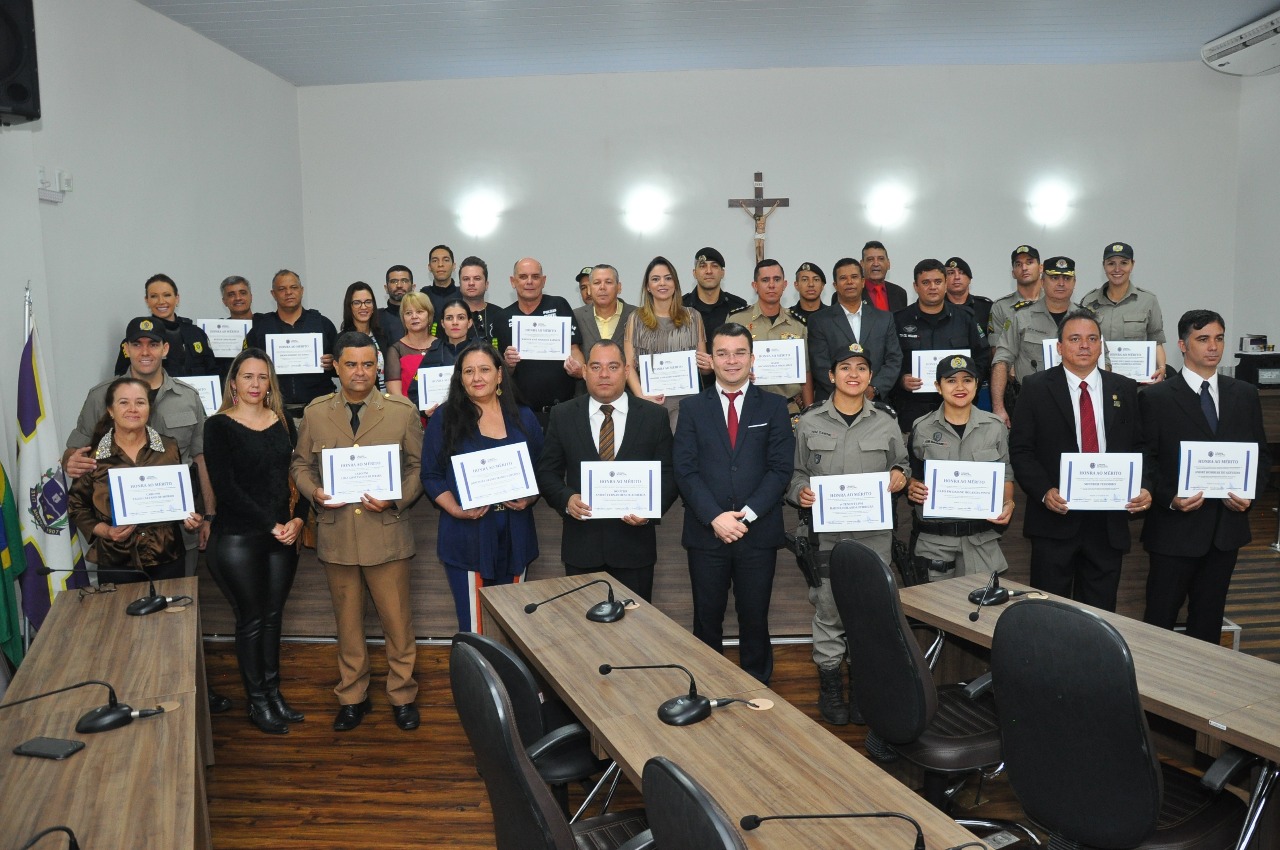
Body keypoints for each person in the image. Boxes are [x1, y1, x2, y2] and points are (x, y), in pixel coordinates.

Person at [65, 317, 227, 712]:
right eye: (136, 345)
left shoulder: (186, 399)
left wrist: (204, 514)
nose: (145, 352)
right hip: (116, 551)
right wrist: (72, 467)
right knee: (123, 629)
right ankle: (132, 695)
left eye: (152, 345)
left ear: (164, 349)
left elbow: (198, 461)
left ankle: (188, 694)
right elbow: (75, 463)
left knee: (179, 621)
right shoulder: (99, 399)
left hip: (172, 541)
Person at [290, 332, 424, 732]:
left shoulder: (401, 411)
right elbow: (300, 465)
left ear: (378, 368)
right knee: (347, 625)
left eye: (368, 364)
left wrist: (394, 498)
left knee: (398, 624)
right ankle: (353, 697)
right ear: (336, 367)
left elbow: (417, 468)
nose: (360, 372)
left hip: (387, 532)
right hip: (338, 536)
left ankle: (402, 695)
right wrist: (314, 491)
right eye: (351, 364)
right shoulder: (315, 413)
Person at [788, 343, 908, 724]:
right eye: (845, 367)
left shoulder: (886, 421)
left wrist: (899, 476)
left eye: (861, 367)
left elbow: (902, 465)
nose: (853, 374)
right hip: (825, 537)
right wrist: (800, 493)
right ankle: (831, 689)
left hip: (873, 537)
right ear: (831, 375)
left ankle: (863, 688)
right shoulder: (809, 421)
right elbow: (796, 474)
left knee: (870, 614)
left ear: (870, 376)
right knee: (828, 611)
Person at [1140, 310, 1270, 643]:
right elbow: (1146, 461)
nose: (1213, 347)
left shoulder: (1243, 393)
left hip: (1225, 529)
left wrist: (1250, 494)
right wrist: (1170, 497)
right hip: (1174, 531)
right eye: (1203, 339)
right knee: (1159, 620)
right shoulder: (1156, 398)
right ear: (1182, 345)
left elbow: (1259, 455)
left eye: (1219, 338)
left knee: (1208, 622)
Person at [1009, 310, 1153, 611]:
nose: (1084, 346)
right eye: (1075, 339)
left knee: (1100, 613)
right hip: (1055, 519)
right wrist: (1044, 491)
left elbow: (1141, 445)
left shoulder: (1124, 388)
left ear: (1101, 345)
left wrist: (1144, 486)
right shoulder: (1035, 387)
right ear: (1060, 347)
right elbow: (1021, 450)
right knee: (1048, 613)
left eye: (1091, 339)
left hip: (1108, 522)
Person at [674, 323, 794, 684]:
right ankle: (707, 685)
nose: (731, 360)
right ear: (710, 359)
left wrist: (746, 515)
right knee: (706, 617)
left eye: (739, 352)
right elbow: (685, 470)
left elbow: (780, 469)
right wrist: (715, 517)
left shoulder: (774, 406)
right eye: (722, 353)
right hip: (706, 532)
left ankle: (757, 685)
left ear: (752, 358)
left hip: (757, 533)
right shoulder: (692, 407)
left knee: (754, 617)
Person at [203, 349, 307, 734]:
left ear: (270, 383)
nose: (255, 384)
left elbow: (297, 475)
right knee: (251, 621)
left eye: (262, 377)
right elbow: (226, 488)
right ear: (233, 382)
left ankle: (274, 694)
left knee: (273, 619)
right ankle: (257, 702)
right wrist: (271, 524)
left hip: (282, 535)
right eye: (248, 377)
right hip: (239, 539)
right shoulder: (218, 426)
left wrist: (298, 519)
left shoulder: (282, 421)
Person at [535, 340, 676, 602]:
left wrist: (650, 510)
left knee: (635, 630)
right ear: (585, 371)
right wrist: (566, 499)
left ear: (626, 370)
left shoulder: (654, 416)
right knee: (583, 633)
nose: (604, 374)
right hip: (582, 547)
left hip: (635, 548)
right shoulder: (563, 415)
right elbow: (546, 472)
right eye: (596, 367)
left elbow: (668, 474)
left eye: (612, 366)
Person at [422, 345, 543, 632]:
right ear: (460, 378)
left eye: (485, 369)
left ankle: (510, 679)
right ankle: (478, 678)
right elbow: (430, 474)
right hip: (467, 536)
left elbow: (541, 469)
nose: (477, 377)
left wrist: (531, 496)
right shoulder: (444, 417)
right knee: (475, 626)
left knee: (515, 626)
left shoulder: (524, 417)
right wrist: (455, 509)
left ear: (500, 375)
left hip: (516, 534)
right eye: (469, 371)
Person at [67, 376, 203, 587]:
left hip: (167, 557)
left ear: (149, 409)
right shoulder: (93, 456)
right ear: (111, 410)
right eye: (124, 402)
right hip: (116, 560)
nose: (133, 409)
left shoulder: (169, 448)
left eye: (140, 402)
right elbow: (76, 506)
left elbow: (180, 497)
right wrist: (107, 531)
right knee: (120, 619)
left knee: (170, 617)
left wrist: (189, 517)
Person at [906, 355, 1014, 583]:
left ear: (977, 384)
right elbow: (911, 474)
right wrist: (911, 486)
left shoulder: (995, 428)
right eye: (951, 380)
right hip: (934, 542)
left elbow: (1005, 474)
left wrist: (1008, 503)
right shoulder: (922, 428)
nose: (960, 387)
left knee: (981, 614)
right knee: (932, 613)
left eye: (967, 380)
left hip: (981, 541)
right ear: (938, 386)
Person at [891, 258, 989, 429]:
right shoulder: (898, 320)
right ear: (916, 286)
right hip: (912, 409)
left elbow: (982, 357)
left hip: (959, 408)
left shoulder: (966, 318)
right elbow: (889, 359)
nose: (933, 287)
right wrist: (901, 379)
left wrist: (968, 383)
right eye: (926, 282)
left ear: (945, 284)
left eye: (938, 282)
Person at [625, 256, 713, 428]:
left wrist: (709, 366)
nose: (662, 283)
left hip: (688, 406)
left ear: (675, 284)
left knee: (683, 453)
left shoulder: (693, 316)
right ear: (648, 287)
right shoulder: (635, 319)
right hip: (651, 404)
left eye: (668, 278)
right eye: (655, 279)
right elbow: (628, 366)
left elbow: (704, 370)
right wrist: (642, 397)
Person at [992, 255, 1077, 427]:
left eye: (1067, 278)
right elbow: (1002, 360)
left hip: (1076, 403)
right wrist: (998, 407)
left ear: (1074, 282)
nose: (1061, 283)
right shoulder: (1022, 317)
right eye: (1054, 277)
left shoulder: (1086, 319)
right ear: (1043, 281)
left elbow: (1103, 362)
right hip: (1030, 403)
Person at [245, 269, 338, 423]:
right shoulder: (261, 328)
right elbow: (247, 368)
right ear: (273, 294)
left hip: (320, 408)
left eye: (294, 287)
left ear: (301, 291)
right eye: (282, 289)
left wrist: (333, 363)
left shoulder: (322, 323)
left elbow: (341, 367)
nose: (288, 292)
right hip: (274, 411)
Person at [807, 257, 903, 403]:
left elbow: (894, 359)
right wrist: (847, 391)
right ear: (835, 285)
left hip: (874, 402)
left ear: (863, 282)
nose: (849, 282)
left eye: (854, 277)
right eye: (843, 278)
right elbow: (819, 364)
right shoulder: (819, 320)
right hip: (832, 402)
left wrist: (874, 388)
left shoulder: (884, 319)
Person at [503, 257, 585, 426]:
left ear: (543, 280)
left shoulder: (559, 305)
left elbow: (574, 347)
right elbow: (501, 372)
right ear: (513, 281)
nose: (530, 282)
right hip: (521, 413)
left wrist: (580, 370)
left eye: (535, 276)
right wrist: (508, 365)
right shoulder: (501, 318)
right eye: (523, 277)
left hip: (562, 410)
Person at [727, 258, 812, 413]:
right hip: (746, 407)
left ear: (785, 285)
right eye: (765, 280)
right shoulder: (737, 320)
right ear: (755, 286)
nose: (771, 285)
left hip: (789, 408)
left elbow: (805, 372)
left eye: (777, 279)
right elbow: (725, 362)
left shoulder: (797, 324)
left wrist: (809, 411)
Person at [1077, 242, 1167, 383]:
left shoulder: (1148, 300)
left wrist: (1161, 367)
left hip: (1136, 384)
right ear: (1104, 266)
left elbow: (1156, 341)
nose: (1117, 269)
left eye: (1124, 263)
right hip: (1099, 382)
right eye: (1111, 263)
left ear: (1132, 264)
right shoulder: (1088, 301)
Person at [113, 274, 217, 378]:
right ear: (147, 301)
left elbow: (213, 372)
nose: (161, 301)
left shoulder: (196, 334)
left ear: (177, 298)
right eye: (154, 296)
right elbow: (121, 378)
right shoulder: (136, 338)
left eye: (167, 295)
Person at [683, 247, 747, 385]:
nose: (709, 271)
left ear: (723, 272)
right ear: (694, 273)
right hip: (689, 388)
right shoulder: (680, 307)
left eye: (714, 266)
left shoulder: (738, 306)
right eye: (702, 266)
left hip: (730, 385)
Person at [943, 257, 995, 410]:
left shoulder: (985, 307)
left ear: (970, 279)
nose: (957, 277)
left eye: (962, 272)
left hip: (981, 381)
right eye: (951, 273)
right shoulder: (936, 309)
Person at [385, 291, 436, 408]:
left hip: (441, 416)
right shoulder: (395, 350)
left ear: (429, 315)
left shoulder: (442, 345)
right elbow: (395, 394)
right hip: (407, 415)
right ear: (403, 318)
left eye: (419, 311)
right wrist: (418, 411)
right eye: (408, 313)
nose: (414, 316)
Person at [338, 281, 391, 391]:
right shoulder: (342, 340)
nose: (363, 307)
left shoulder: (382, 336)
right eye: (357, 303)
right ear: (349, 307)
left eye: (368, 302)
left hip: (385, 401)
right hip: (359, 401)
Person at [574, 264, 635, 356]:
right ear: (589, 289)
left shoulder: (638, 315)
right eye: (597, 283)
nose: (602, 287)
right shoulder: (575, 317)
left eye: (608, 282)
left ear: (619, 287)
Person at [987, 244, 1044, 343]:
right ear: (1013, 273)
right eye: (1018, 264)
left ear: (1040, 268)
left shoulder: (1054, 302)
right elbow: (997, 351)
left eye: (1029, 262)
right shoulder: (1001, 307)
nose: (1024, 268)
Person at [457, 255, 511, 355]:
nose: (471, 283)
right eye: (466, 279)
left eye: (477, 278)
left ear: (486, 284)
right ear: (460, 284)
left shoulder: (501, 315)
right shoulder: (450, 316)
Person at [215, 275, 255, 381]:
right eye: (231, 294)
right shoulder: (217, 331)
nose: (238, 298)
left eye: (243, 293)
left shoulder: (266, 323)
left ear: (251, 296)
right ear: (224, 301)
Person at [858, 241, 909, 312]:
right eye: (870, 259)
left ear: (888, 264)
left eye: (881, 259)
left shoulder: (899, 293)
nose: (876, 264)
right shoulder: (854, 292)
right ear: (862, 264)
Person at [380, 264, 415, 341]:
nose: (399, 285)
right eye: (394, 281)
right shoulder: (377, 318)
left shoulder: (422, 316)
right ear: (386, 288)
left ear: (413, 287)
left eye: (404, 281)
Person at [425, 244, 459, 317]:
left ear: (454, 266)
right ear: (429, 267)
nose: (440, 264)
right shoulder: (424, 295)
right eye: (435, 261)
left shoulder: (463, 294)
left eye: (446, 260)